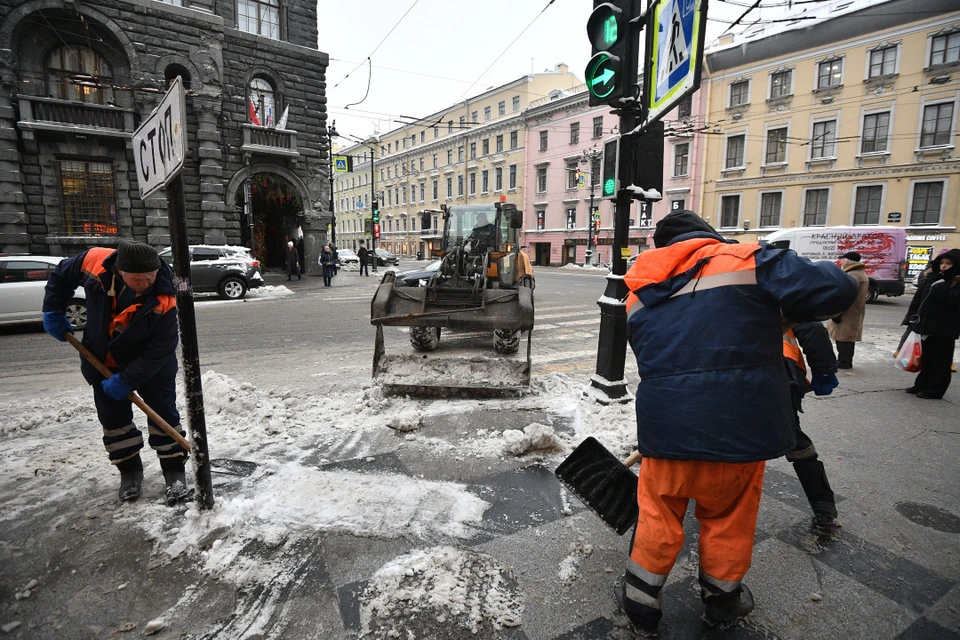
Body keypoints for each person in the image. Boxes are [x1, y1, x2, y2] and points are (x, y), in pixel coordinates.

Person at [618, 210, 857, 635]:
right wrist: (779, 308)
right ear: (709, 237)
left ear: (661, 247)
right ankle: (723, 601)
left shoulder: (637, 292)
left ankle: (640, 603)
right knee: (727, 517)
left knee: (658, 514)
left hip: (666, 426)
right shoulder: (749, 260)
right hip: (737, 426)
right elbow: (838, 286)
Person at [41, 241, 191, 506]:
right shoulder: (94, 261)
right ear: (120, 272)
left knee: (163, 413)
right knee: (113, 419)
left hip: (151, 365)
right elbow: (61, 275)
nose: (145, 282)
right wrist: (53, 309)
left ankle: (174, 471)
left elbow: (161, 349)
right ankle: (130, 472)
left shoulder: (167, 295)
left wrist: (128, 379)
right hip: (102, 359)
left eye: (150, 276)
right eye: (136, 278)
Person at [783, 322, 841, 532]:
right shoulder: (779, 287)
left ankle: (709, 498)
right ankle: (823, 503)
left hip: (714, 369)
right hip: (776, 368)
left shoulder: (691, 288)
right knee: (791, 435)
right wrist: (824, 369)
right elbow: (810, 326)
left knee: (722, 436)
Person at [903, 248, 960, 399]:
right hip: (926, 324)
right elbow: (919, 300)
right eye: (942, 263)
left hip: (944, 328)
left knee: (940, 360)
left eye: (948, 263)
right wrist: (912, 318)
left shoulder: (955, 280)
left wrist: (939, 285)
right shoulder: (934, 278)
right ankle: (921, 384)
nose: (944, 266)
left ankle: (935, 389)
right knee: (926, 357)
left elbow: (952, 300)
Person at [827, 251, 870, 369]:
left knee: (843, 337)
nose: (842, 262)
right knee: (849, 337)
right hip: (855, 311)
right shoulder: (860, 273)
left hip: (847, 311)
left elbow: (844, 295)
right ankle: (846, 360)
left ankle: (843, 361)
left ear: (848, 261)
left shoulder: (852, 275)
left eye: (843, 259)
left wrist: (837, 313)